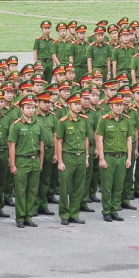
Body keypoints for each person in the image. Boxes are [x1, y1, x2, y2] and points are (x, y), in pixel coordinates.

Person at [96, 94, 134, 222]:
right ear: (111, 106)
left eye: (121, 105)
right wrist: (101, 158)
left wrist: (129, 158)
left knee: (119, 186)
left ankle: (114, 210)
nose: (119, 108)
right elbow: (99, 139)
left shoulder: (127, 120)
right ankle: (106, 211)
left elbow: (129, 140)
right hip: (109, 156)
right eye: (116, 105)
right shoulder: (104, 120)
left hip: (122, 157)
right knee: (107, 186)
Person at [8, 95, 44, 228]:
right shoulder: (16, 126)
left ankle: (29, 216)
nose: (31, 110)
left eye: (33, 107)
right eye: (28, 107)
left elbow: (41, 145)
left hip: (34, 160)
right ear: (22, 109)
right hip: (22, 160)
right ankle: (20, 217)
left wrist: (40, 163)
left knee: (32, 190)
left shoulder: (38, 125)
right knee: (21, 191)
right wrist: (12, 163)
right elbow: (12, 145)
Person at [57, 94, 90, 224]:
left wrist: (87, 157)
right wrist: (60, 161)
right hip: (68, 156)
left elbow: (86, 139)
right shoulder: (63, 122)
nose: (78, 106)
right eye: (75, 104)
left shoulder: (84, 120)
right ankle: (64, 214)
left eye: (78, 104)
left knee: (78, 187)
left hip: (80, 156)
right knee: (65, 187)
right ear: (69, 105)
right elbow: (59, 141)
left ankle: (74, 213)